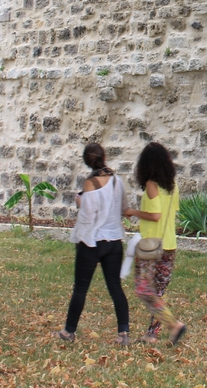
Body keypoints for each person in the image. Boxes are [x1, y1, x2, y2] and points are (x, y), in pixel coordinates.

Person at [57, 143, 131, 344]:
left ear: (86, 161)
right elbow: (124, 208)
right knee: (115, 287)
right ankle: (123, 332)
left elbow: (88, 216)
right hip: (114, 239)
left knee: (81, 288)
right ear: (103, 156)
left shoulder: (90, 183)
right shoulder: (117, 181)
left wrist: (81, 202)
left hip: (92, 241)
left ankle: (68, 331)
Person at [124, 142, 187, 346]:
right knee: (158, 291)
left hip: (151, 244)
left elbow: (155, 215)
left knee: (144, 289)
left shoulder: (152, 184)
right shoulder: (173, 185)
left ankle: (174, 324)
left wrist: (133, 212)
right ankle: (152, 334)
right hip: (169, 244)